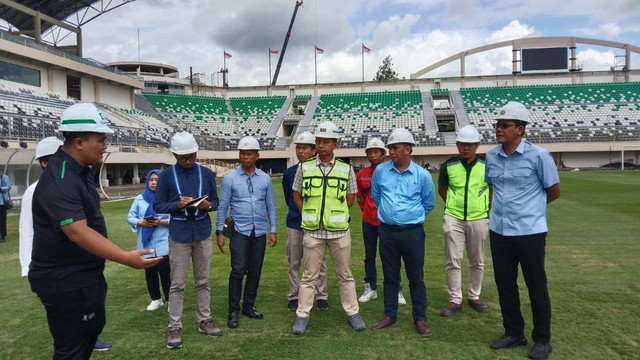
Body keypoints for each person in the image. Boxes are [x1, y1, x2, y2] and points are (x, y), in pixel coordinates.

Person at [28, 103, 161, 359]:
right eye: (100, 140)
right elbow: (77, 231)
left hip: (84, 275)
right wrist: (125, 257)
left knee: (87, 336)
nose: (104, 146)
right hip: (65, 280)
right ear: (79, 142)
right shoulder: (61, 177)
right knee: (72, 350)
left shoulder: (82, 170)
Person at [485, 101, 560, 360]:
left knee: (536, 284)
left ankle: (542, 340)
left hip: (529, 232)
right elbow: (493, 188)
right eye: (497, 125)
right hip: (499, 231)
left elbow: (554, 191)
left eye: (504, 125)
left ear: (520, 129)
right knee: (505, 284)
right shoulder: (492, 156)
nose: (498, 129)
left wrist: (530, 210)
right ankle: (514, 333)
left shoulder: (539, 156)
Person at [291, 121, 366, 335]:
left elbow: (350, 198)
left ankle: (352, 312)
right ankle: (302, 315)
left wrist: (335, 215)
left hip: (339, 232)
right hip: (313, 231)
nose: (321, 145)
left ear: (335, 144)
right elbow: (297, 194)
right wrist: (308, 213)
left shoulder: (346, 168)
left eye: (325, 142)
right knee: (309, 275)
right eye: (319, 141)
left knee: (345, 274)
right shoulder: (304, 167)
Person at [153, 131, 221, 350]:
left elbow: (217, 202)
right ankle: (174, 327)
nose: (188, 161)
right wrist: (178, 205)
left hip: (202, 232)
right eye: (183, 158)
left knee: (203, 281)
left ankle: (204, 320)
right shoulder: (165, 177)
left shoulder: (207, 174)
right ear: (174, 155)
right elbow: (158, 206)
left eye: (191, 156)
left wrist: (207, 205)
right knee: (178, 283)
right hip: (179, 234)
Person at [370, 128, 436, 339]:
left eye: (395, 147)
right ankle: (390, 315)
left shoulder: (422, 175)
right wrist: (390, 215)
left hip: (413, 233)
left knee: (416, 277)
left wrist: (408, 217)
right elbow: (377, 196)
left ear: (408, 149)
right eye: (389, 148)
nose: (391, 152)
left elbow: (429, 203)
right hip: (387, 232)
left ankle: (420, 318)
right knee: (390, 277)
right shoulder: (381, 171)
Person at [216, 136, 278, 328]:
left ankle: (248, 306)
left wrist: (273, 230)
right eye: (242, 153)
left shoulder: (265, 179)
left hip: (259, 231)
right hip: (239, 232)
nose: (245, 157)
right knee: (238, 270)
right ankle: (233, 311)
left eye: (249, 153)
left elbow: (271, 206)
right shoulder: (229, 179)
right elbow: (222, 207)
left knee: (255, 271)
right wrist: (219, 232)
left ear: (257, 156)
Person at [438, 125, 490, 317]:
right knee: (453, 260)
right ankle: (455, 300)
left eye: (469, 144)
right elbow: (442, 189)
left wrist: (483, 209)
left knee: (477, 260)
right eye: (462, 144)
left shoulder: (487, 165)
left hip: (479, 218)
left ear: (476, 145)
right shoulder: (448, 165)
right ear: (457, 144)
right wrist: (453, 207)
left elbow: (491, 190)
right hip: (454, 217)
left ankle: (474, 296)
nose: (465, 148)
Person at [282, 131, 329, 312]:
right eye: (298, 148)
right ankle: (294, 295)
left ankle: (321, 296)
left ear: (314, 151)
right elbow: (290, 199)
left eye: (304, 148)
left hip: (315, 224)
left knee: (319, 262)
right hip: (294, 223)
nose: (300, 152)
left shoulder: (321, 171)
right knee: (294, 262)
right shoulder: (289, 173)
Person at [356, 137, 406, 305]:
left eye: (376, 152)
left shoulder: (392, 172)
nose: (372, 155)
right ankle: (371, 287)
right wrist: (369, 212)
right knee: (369, 255)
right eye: (369, 152)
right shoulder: (362, 174)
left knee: (391, 256)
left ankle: (396, 289)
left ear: (384, 154)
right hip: (369, 221)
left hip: (387, 222)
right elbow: (360, 199)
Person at [127, 170, 171, 311]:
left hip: (164, 242)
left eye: (157, 180)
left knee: (166, 272)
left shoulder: (168, 198)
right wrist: (141, 222)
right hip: (146, 243)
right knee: (150, 273)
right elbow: (130, 217)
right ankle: (156, 300)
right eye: (151, 180)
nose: (153, 183)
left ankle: (171, 300)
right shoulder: (140, 199)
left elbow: (176, 219)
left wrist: (161, 222)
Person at [20, 137, 63, 277]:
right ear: (44, 163)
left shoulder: (73, 186)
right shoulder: (34, 191)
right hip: (50, 263)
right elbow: (27, 227)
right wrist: (28, 266)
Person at [0, 169, 10, 243]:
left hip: (2, 203)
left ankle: (3, 236)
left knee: (2, 220)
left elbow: (8, 187)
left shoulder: (4, 177)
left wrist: (1, 188)